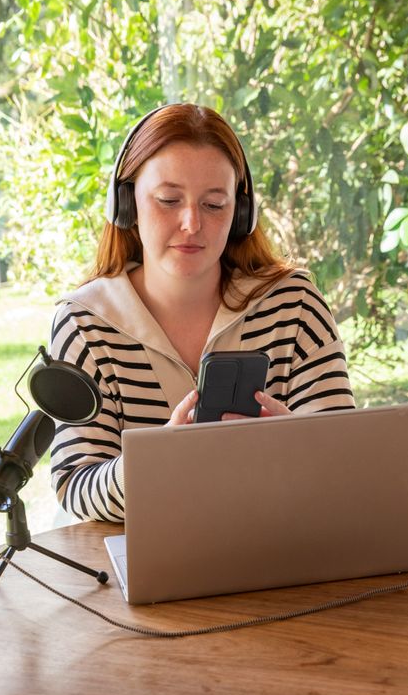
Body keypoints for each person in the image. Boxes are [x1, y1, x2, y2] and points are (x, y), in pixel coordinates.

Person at [49, 102, 355, 523]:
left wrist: (298, 443)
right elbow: (75, 485)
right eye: (168, 200)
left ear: (241, 213)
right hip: (148, 566)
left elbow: (346, 468)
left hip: (281, 546)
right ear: (126, 205)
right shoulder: (85, 322)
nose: (192, 223)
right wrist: (159, 463)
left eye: (214, 205)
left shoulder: (295, 305)